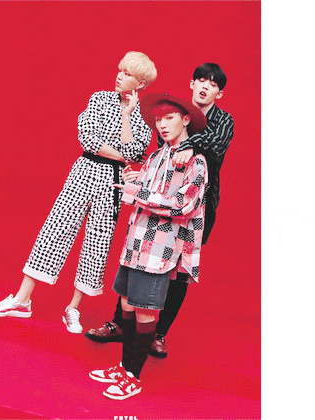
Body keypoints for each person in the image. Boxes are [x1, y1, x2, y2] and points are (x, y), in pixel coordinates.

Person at [0, 52, 157, 334]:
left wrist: (128, 117)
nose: (119, 76)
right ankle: (22, 300)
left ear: (140, 84)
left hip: (114, 183)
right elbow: (88, 139)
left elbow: (135, 150)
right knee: (55, 229)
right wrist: (124, 156)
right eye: (120, 70)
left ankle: (73, 308)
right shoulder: (99, 98)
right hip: (84, 171)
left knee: (97, 242)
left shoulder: (144, 117)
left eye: (127, 74)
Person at [85, 63, 234, 357]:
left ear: (219, 92)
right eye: (201, 80)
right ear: (192, 84)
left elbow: (215, 145)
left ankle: (159, 333)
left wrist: (190, 144)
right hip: (157, 202)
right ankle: (120, 324)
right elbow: (161, 155)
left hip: (196, 205)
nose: (205, 86)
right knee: (138, 257)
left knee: (178, 272)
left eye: (212, 83)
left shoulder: (223, 120)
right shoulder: (172, 113)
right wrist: (141, 179)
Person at [89, 93, 208, 400]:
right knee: (127, 305)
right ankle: (123, 367)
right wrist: (135, 183)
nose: (162, 125)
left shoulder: (195, 161)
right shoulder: (156, 156)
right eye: (158, 119)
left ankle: (133, 376)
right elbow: (145, 189)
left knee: (144, 311)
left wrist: (138, 194)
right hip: (135, 242)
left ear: (185, 120)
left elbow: (183, 205)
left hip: (160, 249)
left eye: (169, 118)